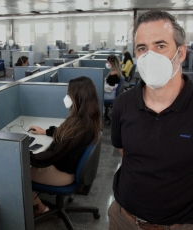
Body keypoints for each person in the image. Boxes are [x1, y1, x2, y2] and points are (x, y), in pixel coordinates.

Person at [108, 10, 193, 230]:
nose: (150, 55)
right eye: (142, 48)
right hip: (123, 218)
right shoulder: (123, 104)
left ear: (181, 53)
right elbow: (125, 152)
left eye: (161, 46)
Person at [29, 76, 101, 217]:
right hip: (70, 168)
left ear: (78, 97)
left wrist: (24, 155)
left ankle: (40, 208)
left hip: (62, 173)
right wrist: (45, 131)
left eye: (68, 94)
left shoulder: (77, 126)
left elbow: (50, 157)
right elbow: (66, 136)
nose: (66, 97)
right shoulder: (88, 119)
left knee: (20, 173)